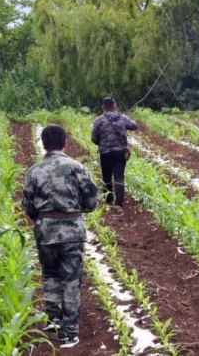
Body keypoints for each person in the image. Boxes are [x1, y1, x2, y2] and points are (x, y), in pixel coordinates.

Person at [23, 124, 99, 349]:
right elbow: (91, 201)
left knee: (50, 273)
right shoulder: (77, 168)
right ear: (66, 143)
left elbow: (28, 205)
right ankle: (69, 333)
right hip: (72, 231)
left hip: (45, 230)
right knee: (71, 280)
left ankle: (53, 318)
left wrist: (44, 217)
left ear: (44, 144)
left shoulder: (34, 171)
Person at [91, 97, 138, 209]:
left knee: (106, 177)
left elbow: (94, 138)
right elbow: (134, 126)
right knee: (119, 176)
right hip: (120, 152)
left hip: (105, 153)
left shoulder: (98, 120)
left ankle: (109, 199)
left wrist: (102, 143)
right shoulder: (122, 117)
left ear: (103, 107)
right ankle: (119, 203)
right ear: (114, 105)